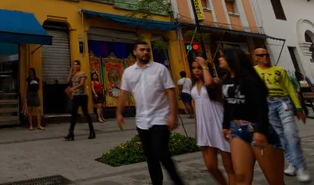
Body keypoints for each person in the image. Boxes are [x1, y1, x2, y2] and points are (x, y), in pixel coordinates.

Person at [117, 41, 184, 185]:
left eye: (148, 50)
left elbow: (170, 91)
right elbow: (123, 93)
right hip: (142, 120)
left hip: (161, 117)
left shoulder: (160, 69)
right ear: (135, 52)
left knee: (161, 151)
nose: (146, 52)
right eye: (142, 50)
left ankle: (177, 181)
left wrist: (173, 114)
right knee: (150, 156)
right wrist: (119, 113)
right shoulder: (128, 72)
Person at [219, 48, 284, 185]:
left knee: (274, 180)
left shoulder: (250, 79)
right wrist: (225, 125)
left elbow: (261, 106)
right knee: (241, 177)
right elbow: (228, 105)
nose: (219, 59)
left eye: (222, 57)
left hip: (257, 128)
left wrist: (261, 130)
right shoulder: (226, 80)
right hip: (237, 130)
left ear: (232, 59)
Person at [253, 48, 310, 182]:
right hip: (266, 105)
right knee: (281, 137)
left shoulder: (279, 70)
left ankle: (300, 167)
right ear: (255, 57)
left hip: (283, 103)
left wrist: (298, 107)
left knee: (291, 134)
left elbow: (289, 88)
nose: (265, 57)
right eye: (261, 55)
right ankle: (292, 163)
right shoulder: (253, 72)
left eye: (266, 54)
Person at [192, 57, 236, 185]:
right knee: (211, 166)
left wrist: (205, 66)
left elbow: (210, 83)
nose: (196, 71)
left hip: (219, 123)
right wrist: (197, 129)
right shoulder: (193, 85)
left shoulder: (215, 81)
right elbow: (197, 108)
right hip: (204, 127)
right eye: (194, 68)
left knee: (229, 167)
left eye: (199, 68)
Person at [65, 60, 95, 141]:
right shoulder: (73, 74)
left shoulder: (83, 74)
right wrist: (71, 72)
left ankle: (92, 131)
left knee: (86, 113)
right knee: (73, 115)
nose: (75, 66)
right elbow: (68, 81)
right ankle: (71, 133)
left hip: (82, 96)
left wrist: (73, 88)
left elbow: (82, 84)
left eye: (77, 65)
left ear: (79, 65)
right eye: (74, 65)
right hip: (75, 97)